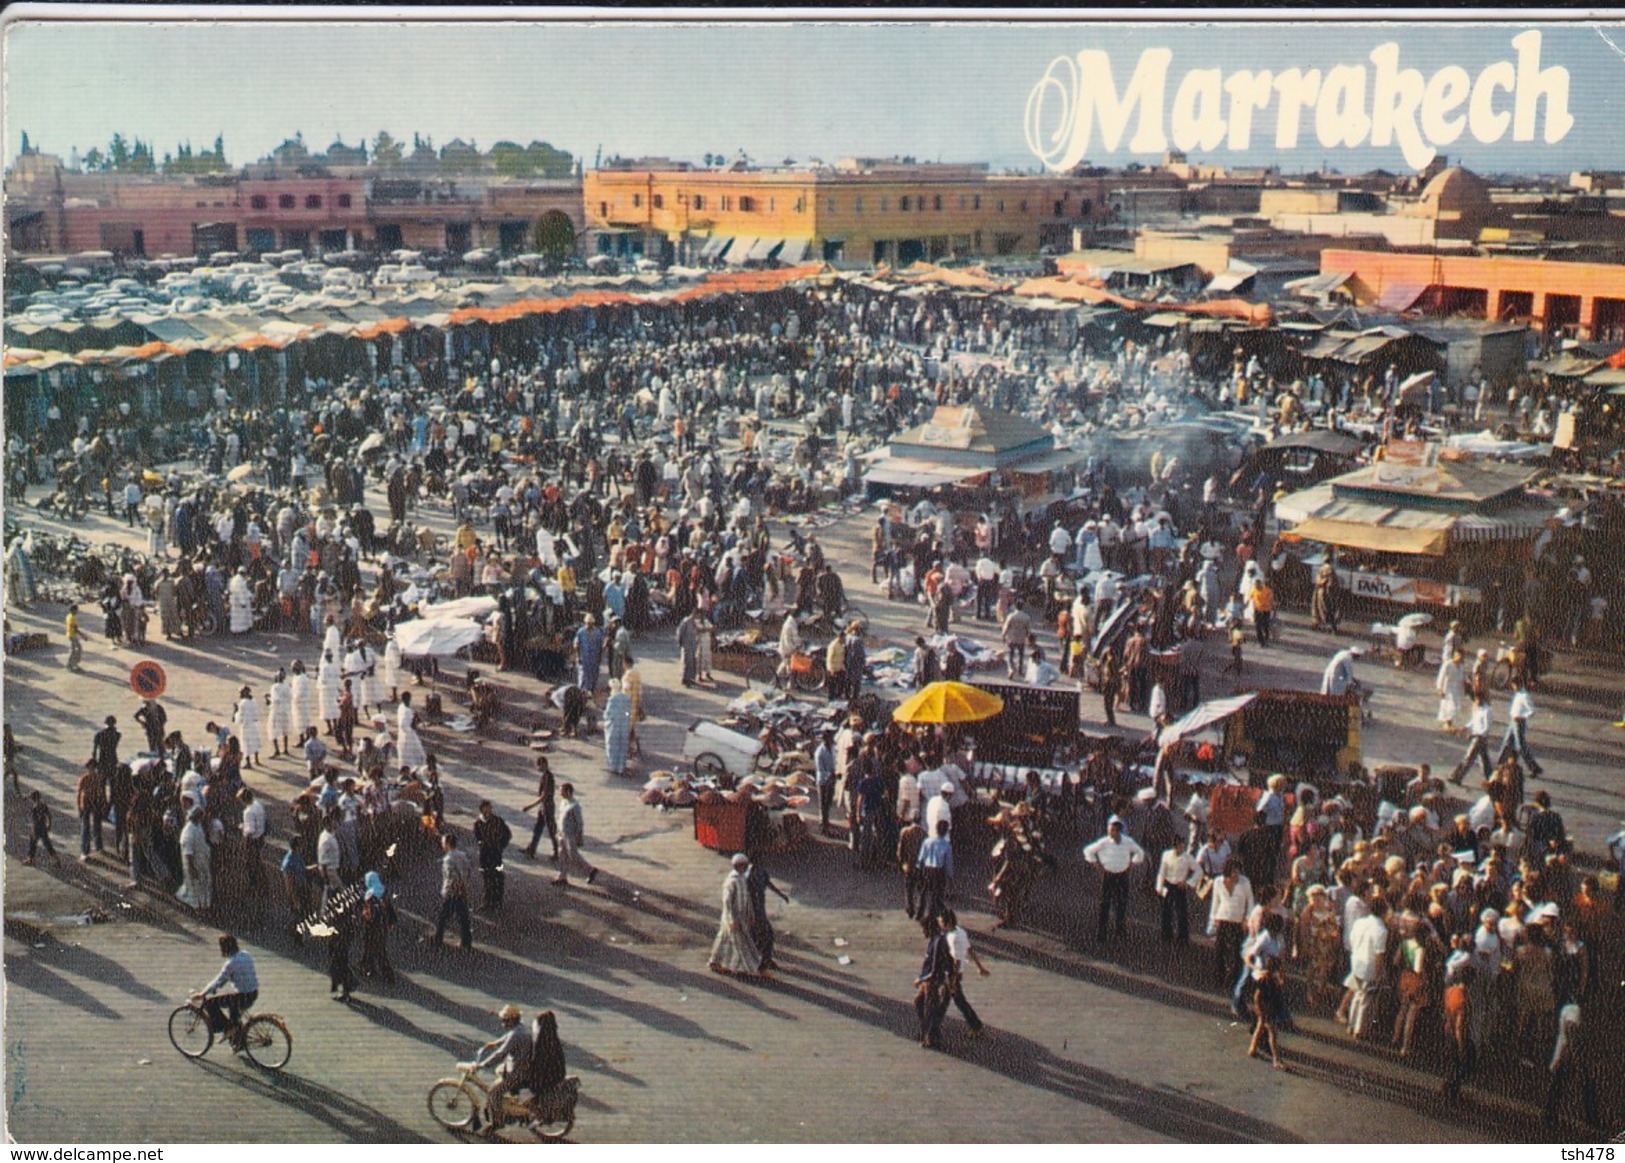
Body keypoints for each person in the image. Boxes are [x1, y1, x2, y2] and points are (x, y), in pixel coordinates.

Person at [469, 1004, 534, 1134]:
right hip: (523, 1065)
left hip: (518, 1071)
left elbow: (500, 1054)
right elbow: (507, 1037)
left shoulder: (516, 1035)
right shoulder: (520, 1028)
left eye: (505, 1020)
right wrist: (496, 1042)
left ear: (512, 1020)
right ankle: (513, 1097)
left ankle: (497, 1123)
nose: (502, 1022)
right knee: (499, 1070)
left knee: (493, 1093)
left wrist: (482, 1065)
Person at [1083, 815, 1146, 942]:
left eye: (1114, 830)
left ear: (1119, 831)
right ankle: (1102, 932)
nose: (1112, 833)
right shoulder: (1104, 842)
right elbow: (1088, 851)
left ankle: (1120, 931)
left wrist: (1132, 865)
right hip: (1108, 876)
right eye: (1110, 830)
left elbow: (1140, 853)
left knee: (1121, 904)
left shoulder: (1128, 842)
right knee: (1105, 904)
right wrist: (1097, 865)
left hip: (1122, 876)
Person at [193, 934, 258, 1049]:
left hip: (242, 997)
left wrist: (203, 993)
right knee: (234, 1015)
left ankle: (222, 1027)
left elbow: (219, 980)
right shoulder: (245, 954)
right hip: (253, 993)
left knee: (210, 1003)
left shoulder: (230, 963)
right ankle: (237, 1040)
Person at [708, 853, 764, 977]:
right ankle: (750, 968)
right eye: (743, 865)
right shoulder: (731, 881)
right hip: (733, 918)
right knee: (741, 942)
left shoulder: (742, 878)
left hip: (741, 916)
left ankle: (716, 961)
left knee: (725, 940)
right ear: (738, 866)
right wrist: (732, 920)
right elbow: (727, 902)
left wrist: (750, 914)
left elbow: (747, 898)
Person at [942, 907, 989, 1039]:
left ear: (947, 922)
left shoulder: (953, 937)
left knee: (958, 1001)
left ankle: (976, 1026)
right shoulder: (960, 932)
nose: (939, 922)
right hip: (955, 973)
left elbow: (956, 961)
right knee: (947, 999)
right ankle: (934, 1024)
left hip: (953, 973)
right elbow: (969, 949)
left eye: (940, 920)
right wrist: (980, 967)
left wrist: (952, 981)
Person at [914, 910, 957, 1050]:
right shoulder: (935, 939)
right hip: (931, 980)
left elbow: (933, 969)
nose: (923, 932)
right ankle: (927, 1031)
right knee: (919, 1003)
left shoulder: (938, 942)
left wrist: (920, 979)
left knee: (929, 1009)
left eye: (923, 929)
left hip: (932, 981)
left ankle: (930, 1038)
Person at [745, 856, 790, 972]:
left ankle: (765, 960)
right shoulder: (748, 875)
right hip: (753, 911)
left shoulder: (761, 871)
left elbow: (768, 883)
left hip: (760, 909)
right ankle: (761, 961)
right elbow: (746, 896)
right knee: (763, 936)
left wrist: (781, 894)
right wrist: (750, 915)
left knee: (763, 936)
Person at [432, 832, 474, 951]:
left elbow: (452, 878)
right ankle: (466, 941)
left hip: (452, 892)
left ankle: (438, 939)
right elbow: (469, 870)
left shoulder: (448, 859)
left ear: (447, 844)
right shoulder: (463, 855)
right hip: (463, 890)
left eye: (443, 842)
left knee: (443, 917)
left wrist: (450, 891)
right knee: (463, 917)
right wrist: (465, 886)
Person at [1496, 680, 1544, 778]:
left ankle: (1533, 767)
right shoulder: (1517, 694)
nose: (1513, 687)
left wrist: (1523, 716)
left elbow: (1532, 710)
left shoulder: (1524, 696)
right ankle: (1501, 763)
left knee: (1520, 746)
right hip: (1512, 721)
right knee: (1507, 742)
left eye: (1514, 685)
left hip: (1519, 722)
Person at [554, 783, 598, 887]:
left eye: (562, 791)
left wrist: (579, 836)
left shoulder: (575, 806)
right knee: (562, 855)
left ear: (568, 791)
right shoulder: (563, 802)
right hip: (562, 832)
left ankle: (590, 870)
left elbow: (580, 823)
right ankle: (562, 876)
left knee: (573, 855)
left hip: (570, 834)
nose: (560, 793)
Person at [1155, 839, 1199, 943]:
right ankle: (1166, 935)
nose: (1181, 849)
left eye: (1182, 846)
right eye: (1179, 846)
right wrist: (1159, 887)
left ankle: (1182, 937)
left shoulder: (1187, 857)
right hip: (1169, 885)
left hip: (1180, 887)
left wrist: (1188, 883)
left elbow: (1198, 871)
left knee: (1181, 912)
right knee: (1166, 911)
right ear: (1175, 846)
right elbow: (1162, 872)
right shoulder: (1166, 855)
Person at [358, 870, 397, 984]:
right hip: (382, 926)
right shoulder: (383, 891)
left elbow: (368, 913)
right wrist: (391, 922)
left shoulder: (370, 895)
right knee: (372, 948)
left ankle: (388, 975)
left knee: (378, 951)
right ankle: (367, 966)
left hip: (372, 927)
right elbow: (389, 909)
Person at [474, 800, 513, 911]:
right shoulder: (478, 823)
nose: (488, 811)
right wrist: (481, 843)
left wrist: (501, 846)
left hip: (496, 854)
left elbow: (507, 834)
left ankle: (497, 900)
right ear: (482, 810)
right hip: (484, 854)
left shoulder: (498, 821)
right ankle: (487, 900)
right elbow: (478, 836)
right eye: (486, 808)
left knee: (498, 875)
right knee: (486, 877)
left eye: (489, 808)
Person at [521, 755, 558, 861]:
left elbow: (544, 795)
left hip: (548, 807)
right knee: (538, 829)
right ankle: (531, 849)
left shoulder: (548, 777)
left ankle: (557, 853)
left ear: (544, 765)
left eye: (539, 765)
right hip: (544, 808)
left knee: (551, 831)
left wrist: (530, 806)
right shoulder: (545, 776)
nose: (537, 768)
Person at [23, 789, 61, 868]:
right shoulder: (43, 805)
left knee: (33, 844)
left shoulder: (35, 807)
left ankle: (30, 859)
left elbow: (35, 820)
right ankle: (56, 859)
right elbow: (48, 816)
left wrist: (33, 829)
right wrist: (49, 825)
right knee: (47, 844)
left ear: (33, 799)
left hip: (37, 828)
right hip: (43, 827)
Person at [603, 678, 633, 777]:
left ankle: (613, 766)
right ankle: (621, 766)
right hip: (624, 724)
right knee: (622, 746)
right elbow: (628, 712)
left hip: (613, 725)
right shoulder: (626, 698)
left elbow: (608, 714)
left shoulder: (612, 699)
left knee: (612, 746)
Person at [64, 603, 83, 672]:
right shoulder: (72, 618)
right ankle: (70, 665)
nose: (77, 611)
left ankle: (73, 664)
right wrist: (83, 635)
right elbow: (75, 629)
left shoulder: (69, 616)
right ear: (73, 610)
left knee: (77, 649)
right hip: (72, 635)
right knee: (74, 650)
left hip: (71, 635)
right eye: (76, 610)